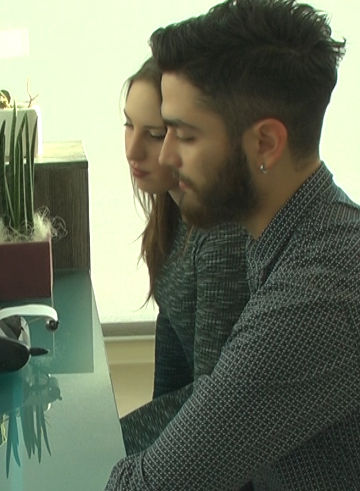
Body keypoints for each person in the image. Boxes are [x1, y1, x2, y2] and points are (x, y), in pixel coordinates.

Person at [107, 1, 360, 489]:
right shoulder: (317, 233)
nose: (164, 157)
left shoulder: (320, 291)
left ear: (266, 143)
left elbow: (153, 486)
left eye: (184, 135)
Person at [116, 57, 249, 456]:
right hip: (194, 426)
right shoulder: (171, 210)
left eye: (155, 134)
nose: (132, 150)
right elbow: (173, 340)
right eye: (128, 125)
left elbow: (215, 408)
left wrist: (118, 446)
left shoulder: (222, 235)